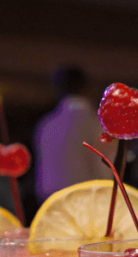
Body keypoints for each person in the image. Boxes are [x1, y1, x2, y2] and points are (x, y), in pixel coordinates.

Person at [33, 66, 114, 203]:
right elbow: (106, 170)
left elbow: (42, 177)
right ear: (87, 87)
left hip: (49, 203)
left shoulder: (46, 124)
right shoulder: (96, 124)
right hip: (86, 203)